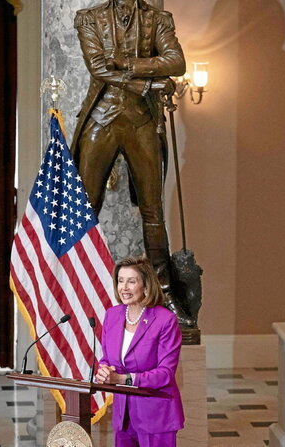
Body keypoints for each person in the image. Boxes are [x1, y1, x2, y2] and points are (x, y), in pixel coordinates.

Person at [72, 0, 195, 327]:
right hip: (103, 117)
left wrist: (126, 63)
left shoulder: (158, 18)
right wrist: (149, 82)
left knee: (153, 209)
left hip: (142, 121)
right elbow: (98, 67)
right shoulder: (89, 18)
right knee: (86, 208)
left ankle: (165, 294)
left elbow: (177, 62)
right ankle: (78, 290)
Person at [95, 256, 184, 446]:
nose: (124, 287)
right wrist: (104, 370)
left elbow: (166, 373)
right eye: (120, 281)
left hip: (156, 415)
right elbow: (107, 358)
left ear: (146, 286)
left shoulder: (165, 320)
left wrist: (124, 379)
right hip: (123, 415)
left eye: (131, 281)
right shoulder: (112, 315)